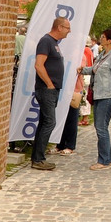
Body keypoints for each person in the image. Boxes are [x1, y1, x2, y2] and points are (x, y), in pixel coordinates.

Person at [30, 15, 71, 171]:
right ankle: (38, 159)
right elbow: (39, 65)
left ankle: (37, 157)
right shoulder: (46, 41)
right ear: (59, 27)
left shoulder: (54, 43)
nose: (69, 31)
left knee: (44, 122)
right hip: (47, 89)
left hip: (51, 89)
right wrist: (49, 84)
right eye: (67, 28)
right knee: (49, 122)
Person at [83, 29, 111, 170]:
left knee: (101, 128)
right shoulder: (102, 55)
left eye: (103, 37)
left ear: (109, 41)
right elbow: (94, 69)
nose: (100, 38)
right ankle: (106, 158)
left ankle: (104, 161)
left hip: (107, 97)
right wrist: (82, 70)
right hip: (98, 95)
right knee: (100, 127)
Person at [55, 40, 94, 155]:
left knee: (72, 118)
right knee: (61, 118)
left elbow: (78, 70)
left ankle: (70, 145)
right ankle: (59, 144)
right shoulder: (65, 53)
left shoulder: (80, 56)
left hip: (74, 90)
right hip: (63, 89)